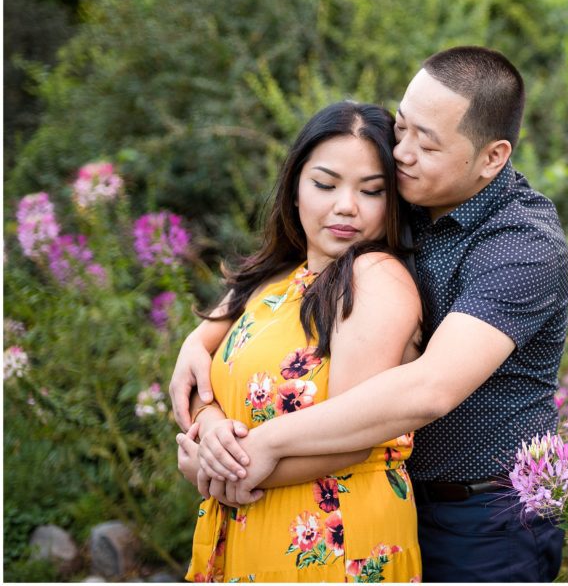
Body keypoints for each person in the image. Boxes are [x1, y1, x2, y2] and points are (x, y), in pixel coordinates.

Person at [171, 46, 568, 582]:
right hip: (387, 492)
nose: (401, 152)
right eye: (401, 128)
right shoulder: (409, 191)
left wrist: (258, 449)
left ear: (492, 157)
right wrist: (202, 341)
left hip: (483, 517)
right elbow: (300, 258)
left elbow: (429, 388)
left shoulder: (522, 246)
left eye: (425, 144)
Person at [174, 101, 423, 582]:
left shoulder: (376, 278)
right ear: (294, 190)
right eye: (325, 185)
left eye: (371, 191)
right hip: (256, 527)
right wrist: (209, 430)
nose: (345, 205)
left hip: (337, 538)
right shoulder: (274, 284)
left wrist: (218, 475)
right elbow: (202, 384)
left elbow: (354, 435)